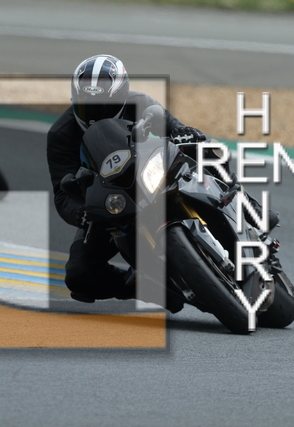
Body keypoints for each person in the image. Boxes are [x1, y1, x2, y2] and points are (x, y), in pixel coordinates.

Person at [47, 54, 207, 305]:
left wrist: (183, 133)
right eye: (86, 105)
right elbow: (62, 193)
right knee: (79, 274)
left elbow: (173, 126)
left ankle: (243, 204)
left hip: (157, 177)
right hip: (110, 205)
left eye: (102, 105)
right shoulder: (60, 134)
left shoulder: (140, 103)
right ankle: (141, 285)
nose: (95, 114)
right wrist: (80, 213)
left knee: (205, 150)